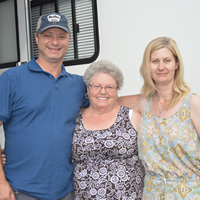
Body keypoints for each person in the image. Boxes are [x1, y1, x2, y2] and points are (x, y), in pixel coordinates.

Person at [0, 12, 89, 200]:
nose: (54, 42)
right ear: (37, 38)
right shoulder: (11, 78)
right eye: (48, 35)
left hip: (66, 190)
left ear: (68, 40)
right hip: (20, 190)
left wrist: (148, 97)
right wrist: (0, 182)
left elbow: (110, 105)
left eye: (61, 36)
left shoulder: (79, 85)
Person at [122, 37, 200, 199]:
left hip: (189, 193)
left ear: (176, 64)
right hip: (151, 193)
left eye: (167, 60)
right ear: (147, 66)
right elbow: (107, 100)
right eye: (155, 61)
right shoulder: (143, 103)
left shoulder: (192, 103)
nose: (161, 67)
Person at [71, 60, 145, 199]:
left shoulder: (131, 116)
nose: (103, 92)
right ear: (88, 88)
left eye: (109, 87)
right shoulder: (75, 119)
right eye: (97, 86)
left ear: (117, 90)